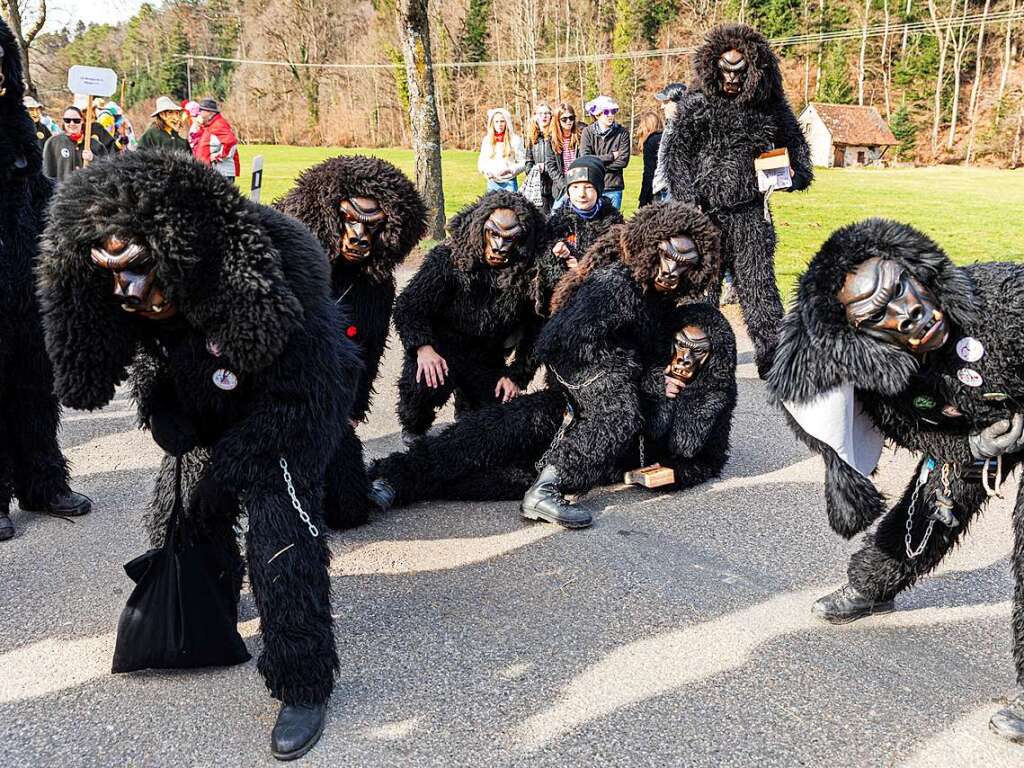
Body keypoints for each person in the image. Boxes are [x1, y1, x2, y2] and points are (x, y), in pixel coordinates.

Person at [766, 217, 1024, 748]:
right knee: (935, 499)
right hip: (977, 435)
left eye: (900, 289)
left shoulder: (1003, 298)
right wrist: (971, 449)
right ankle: (873, 585)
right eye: (878, 314)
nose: (908, 313)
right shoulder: (881, 384)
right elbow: (921, 437)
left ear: (914, 271)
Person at [661, 24, 813, 378]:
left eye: (739, 72)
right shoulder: (697, 103)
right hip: (706, 216)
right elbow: (675, 157)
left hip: (750, 214)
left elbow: (798, 155)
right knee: (701, 290)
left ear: (754, 71)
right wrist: (688, 204)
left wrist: (789, 176)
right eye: (725, 70)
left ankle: (773, 359)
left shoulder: (770, 107)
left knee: (759, 290)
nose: (731, 79)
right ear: (713, 67)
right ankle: (697, 355)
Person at [0, 18, 92, 543]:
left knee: (36, 386)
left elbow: (36, 189)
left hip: (26, 280)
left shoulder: (16, 123)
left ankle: (42, 482)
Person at [392, 190, 545, 445]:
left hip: (487, 356)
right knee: (421, 384)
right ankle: (415, 422)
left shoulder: (527, 273)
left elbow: (536, 331)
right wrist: (423, 348)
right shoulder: (449, 258)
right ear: (480, 230)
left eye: (509, 238)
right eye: (493, 234)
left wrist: (518, 375)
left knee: (488, 424)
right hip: (442, 348)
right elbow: (409, 306)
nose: (498, 246)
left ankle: (467, 412)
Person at [535, 155, 623, 315]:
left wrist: (582, 269)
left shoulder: (614, 225)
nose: (581, 194)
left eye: (588, 187)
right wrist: (555, 256)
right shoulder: (557, 223)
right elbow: (543, 268)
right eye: (575, 187)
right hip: (561, 305)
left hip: (599, 304)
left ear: (599, 189)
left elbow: (618, 268)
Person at [580, 95, 630, 209]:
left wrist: (597, 164)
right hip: (593, 186)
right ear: (597, 114)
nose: (611, 115)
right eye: (606, 112)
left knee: (613, 224)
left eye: (613, 111)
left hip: (614, 187)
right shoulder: (587, 132)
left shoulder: (622, 133)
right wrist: (611, 156)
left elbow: (623, 162)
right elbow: (586, 159)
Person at [41, 106, 108, 182]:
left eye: (76, 120)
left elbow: (107, 170)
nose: (72, 123)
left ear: (82, 120)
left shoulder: (95, 144)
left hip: (87, 192)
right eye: (67, 120)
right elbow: (47, 174)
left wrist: (93, 159)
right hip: (61, 192)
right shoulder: (52, 143)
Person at [477, 107, 525, 192]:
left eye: (502, 121)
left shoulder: (515, 140)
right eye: (496, 122)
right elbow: (482, 162)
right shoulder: (487, 140)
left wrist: (511, 170)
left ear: (507, 122)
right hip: (492, 182)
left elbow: (523, 162)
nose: (499, 124)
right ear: (492, 124)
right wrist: (486, 172)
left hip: (510, 183)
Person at [652, 82, 686, 202]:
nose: (662, 107)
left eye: (666, 102)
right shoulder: (669, 127)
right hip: (662, 188)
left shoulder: (689, 130)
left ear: (679, 104)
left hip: (677, 192)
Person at [524, 102, 557, 214]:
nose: (544, 116)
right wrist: (534, 169)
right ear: (536, 117)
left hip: (555, 186)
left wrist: (546, 168)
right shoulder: (532, 138)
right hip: (538, 190)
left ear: (551, 116)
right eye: (541, 113)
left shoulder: (556, 136)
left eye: (547, 113)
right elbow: (528, 162)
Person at [194, 98, 240, 179]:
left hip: (222, 172)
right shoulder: (210, 125)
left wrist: (217, 156)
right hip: (214, 171)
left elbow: (231, 143)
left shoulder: (219, 124)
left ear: (210, 112)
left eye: (202, 111)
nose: (199, 113)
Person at [548, 102, 582, 209]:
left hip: (580, 183)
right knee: (555, 217)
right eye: (564, 119)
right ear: (557, 121)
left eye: (571, 118)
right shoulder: (551, 140)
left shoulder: (581, 136)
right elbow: (551, 166)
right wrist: (565, 186)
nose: (569, 121)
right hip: (561, 188)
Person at [637, 110, 664, 207]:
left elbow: (649, 172)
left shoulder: (650, 141)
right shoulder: (666, 138)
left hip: (656, 189)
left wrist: (643, 198)